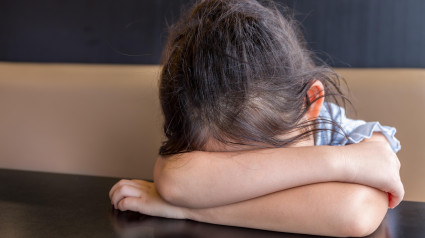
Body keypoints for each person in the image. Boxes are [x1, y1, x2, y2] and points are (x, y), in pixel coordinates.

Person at [109, 0, 404, 236]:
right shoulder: (358, 159)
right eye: (227, 165)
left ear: (310, 102)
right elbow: (175, 179)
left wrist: (191, 209)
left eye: (265, 157)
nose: (256, 175)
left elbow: (351, 215)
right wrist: (338, 164)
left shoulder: (361, 140)